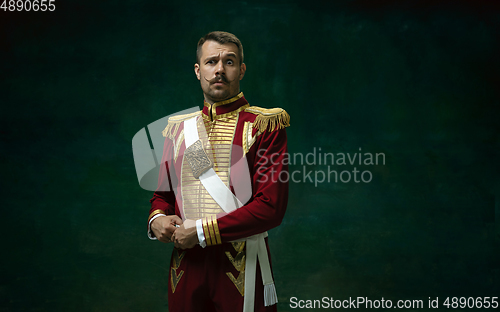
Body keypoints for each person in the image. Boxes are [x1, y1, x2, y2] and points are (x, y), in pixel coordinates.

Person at [147, 31, 290, 312]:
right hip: (185, 266)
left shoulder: (264, 125)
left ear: (242, 70)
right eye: (212, 62)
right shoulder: (179, 129)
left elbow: (270, 207)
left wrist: (200, 231)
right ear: (198, 71)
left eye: (229, 61)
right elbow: (162, 195)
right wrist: (157, 220)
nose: (220, 70)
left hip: (240, 266)